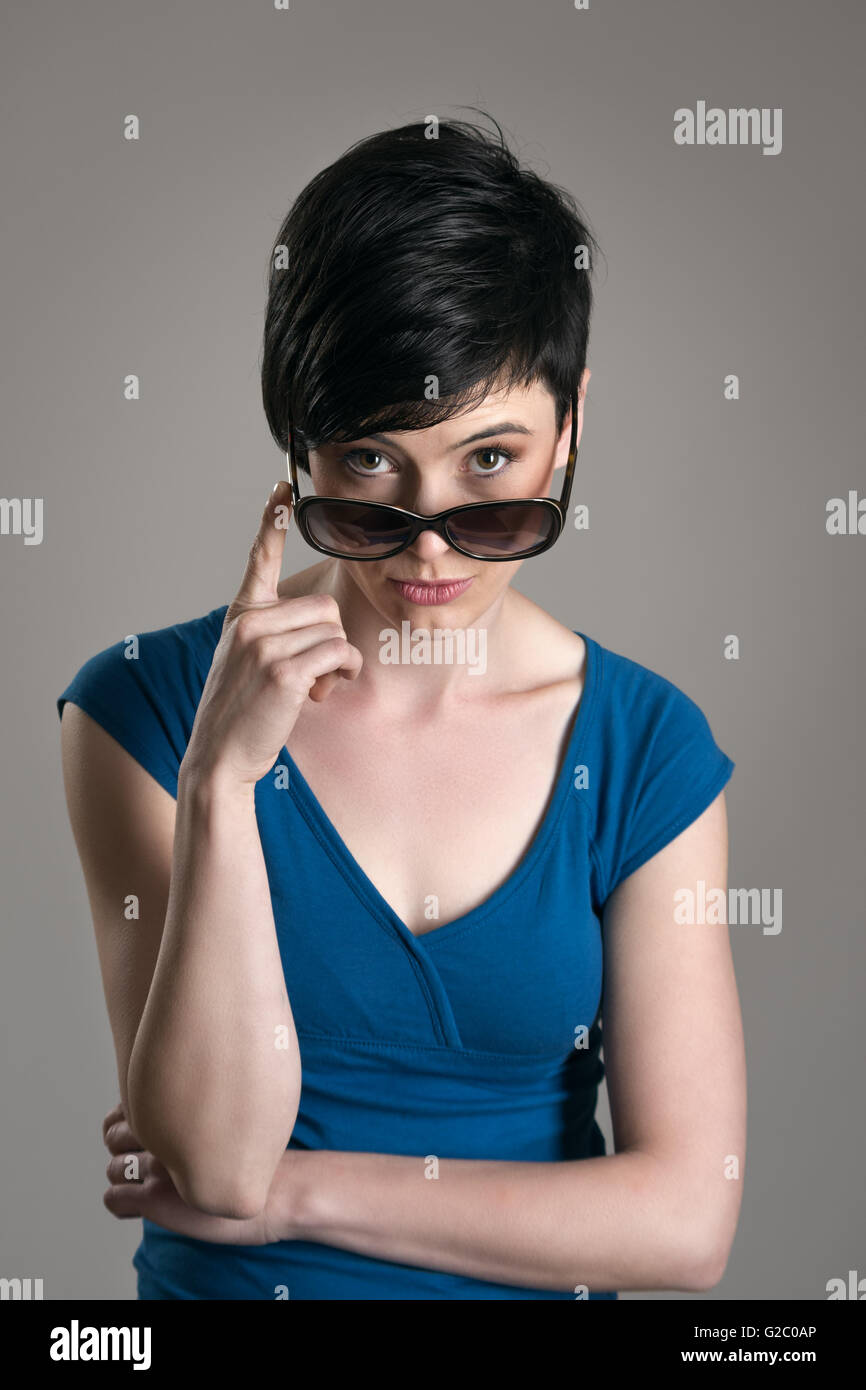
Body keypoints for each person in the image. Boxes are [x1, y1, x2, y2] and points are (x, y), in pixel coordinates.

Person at [57, 114, 746, 1300]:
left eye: (490, 468)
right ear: (298, 448)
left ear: (568, 425)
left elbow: (684, 1223)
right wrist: (221, 783)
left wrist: (303, 1193)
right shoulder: (144, 709)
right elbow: (217, 1165)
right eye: (370, 467)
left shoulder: (643, 748)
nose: (431, 548)